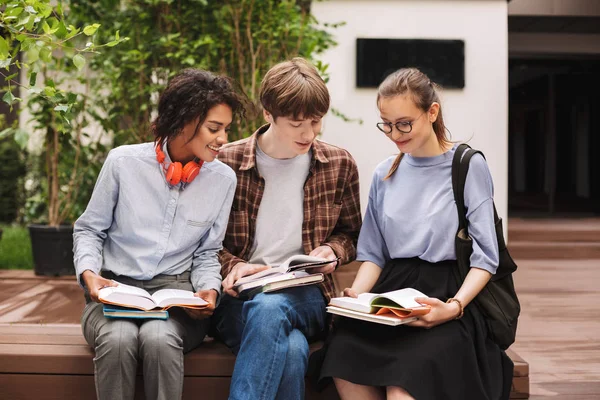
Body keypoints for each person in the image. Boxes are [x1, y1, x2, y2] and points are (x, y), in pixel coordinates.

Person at [319, 68, 514, 400]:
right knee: (342, 356)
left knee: (403, 388)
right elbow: (374, 253)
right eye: (387, 124)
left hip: (450, 296)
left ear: (432, 112)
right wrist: (355, 295)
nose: (395, 134)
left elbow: (486, 257)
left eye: (404, 123)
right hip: (391, 297)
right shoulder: (385, 173)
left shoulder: (467, 165)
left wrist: (453, 307)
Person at [73, 68, 247, 400]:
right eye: (214, 128)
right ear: (184, 121)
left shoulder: (223, 179)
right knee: (119, 338)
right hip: (113, 293)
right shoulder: (123, 163)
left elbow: (208, 253)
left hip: (177, 299)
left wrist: (208, 290)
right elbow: (89, 230)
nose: (223, 139)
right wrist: (90, 276)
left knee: (158, 338)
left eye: (226, 129)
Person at [211, 57, 362, 400]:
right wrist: (232, 266)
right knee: (292, 350)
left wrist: (332, 252)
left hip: (308, 295)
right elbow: (202, 243)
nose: (309, 133)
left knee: (271, 308)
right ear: (268, 114)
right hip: (238, 299)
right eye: (296, 123)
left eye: (316, 121)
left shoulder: (338, 164)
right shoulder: (226, 163)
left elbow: (352, 234)